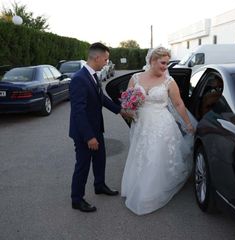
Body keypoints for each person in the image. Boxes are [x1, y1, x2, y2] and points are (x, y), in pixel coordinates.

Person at [121, 46, 195, 215]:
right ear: (152, 61)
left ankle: (149, 194)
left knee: (155, 156)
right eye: (162, 63)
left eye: (167, 64)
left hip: (162, 125)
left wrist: (187, 123)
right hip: (141, 123)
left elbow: (178, 104)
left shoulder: (169, 81)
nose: (165, 67)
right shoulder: (135, 78)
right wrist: (128, 109)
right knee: (141, 155)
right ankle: (138, 186)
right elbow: (126, 99)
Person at [69, 42, 129, 212]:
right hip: (84, 133)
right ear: (97, 57)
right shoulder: (79, 79)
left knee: (100, 159)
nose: (107, 62)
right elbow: (78, 112)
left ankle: (100, 185)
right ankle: (77, 199)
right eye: (106, 59)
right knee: (83, 165)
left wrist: (120, 111)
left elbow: (101, 98)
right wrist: (89, 136)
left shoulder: (93, 75)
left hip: (96, 128)